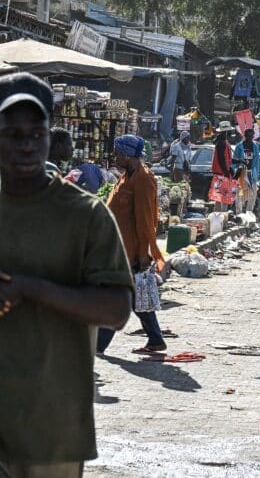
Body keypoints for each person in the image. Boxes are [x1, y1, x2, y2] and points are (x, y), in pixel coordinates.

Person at [0, 74, 133, 478]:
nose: (25, 144)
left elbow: (117, 310)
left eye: (35, 133)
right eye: (12, 133)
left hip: (48, 432)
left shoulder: (86, 215)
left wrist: (32, 289)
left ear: (49, 137)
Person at [97, 133, 168, 355]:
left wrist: (143, 254)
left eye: (119, 153)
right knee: (134, 296)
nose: (115, 157)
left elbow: (146, 220)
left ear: (128, 155)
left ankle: (97, 345)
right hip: (119, 248)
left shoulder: (143, 179)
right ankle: (155, 339)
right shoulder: (127, 175)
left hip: (129, 251)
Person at [208, 123, 238, 212]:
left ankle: (219, 217)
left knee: (219, 198)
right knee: (223, 198)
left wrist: (237, 162)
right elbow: (221, 160)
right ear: (225, 132)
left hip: (222, 173)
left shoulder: (224, 143)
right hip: (221, 174)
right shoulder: (221, 144)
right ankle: (221, 217)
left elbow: (227, 159)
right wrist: (226, 173)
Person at [233, 128, 260, 214]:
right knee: (239, 194)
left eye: (251, 135)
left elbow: (257, 161)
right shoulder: (239, 146)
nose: (250, 137)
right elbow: (234, 160)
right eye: (248, 135)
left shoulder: (256, 146)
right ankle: (239, 213)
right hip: (241, 171)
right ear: (245, 136)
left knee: (253, 194)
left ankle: (249, 212)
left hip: (252, 172)